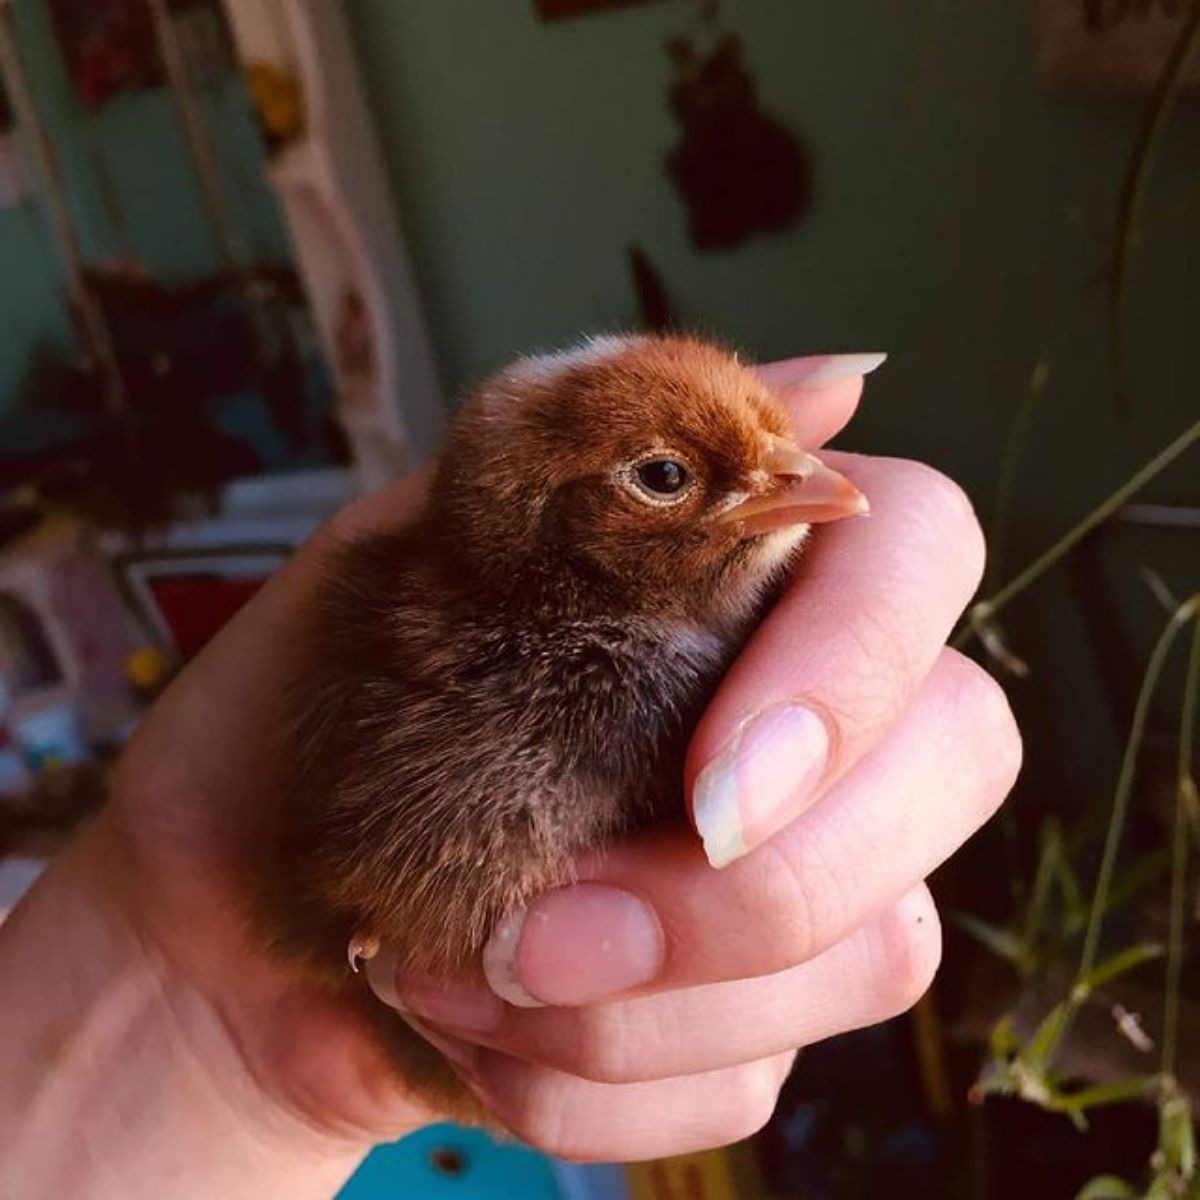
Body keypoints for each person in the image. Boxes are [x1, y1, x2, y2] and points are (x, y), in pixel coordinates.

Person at [0, 357, 1020, 1198]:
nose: (806, 482)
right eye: (666, 477)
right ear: (541, 521)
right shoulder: (481, 644)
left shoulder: (682, 659)